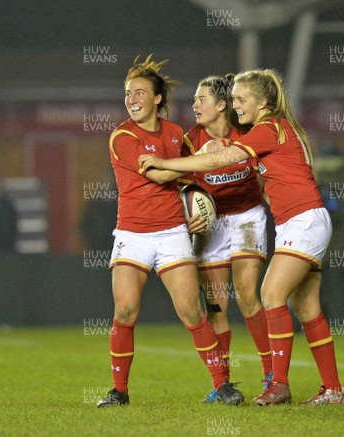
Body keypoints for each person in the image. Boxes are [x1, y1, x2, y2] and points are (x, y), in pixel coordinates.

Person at [139, 69, 344, 405]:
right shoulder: (270, 128)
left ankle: (277, 382)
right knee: (306, 308)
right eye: (233, 99)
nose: (235, 105)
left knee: (269, 293)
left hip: (303, 220)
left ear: (262, 102)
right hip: (301, 221)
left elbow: (223, 158)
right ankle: (332, 391)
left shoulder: (267, 129)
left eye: (240, 99)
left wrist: (164, 162)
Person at [97, 55, 244, 407]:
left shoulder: (177, 134)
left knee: (192, 311)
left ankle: (222, 385)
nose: (131, 99)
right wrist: (190, 168)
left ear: (158, 98)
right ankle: (119, 391)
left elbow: (198, 178)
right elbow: (159, 175)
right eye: (128, 93)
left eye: (139, 93)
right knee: (126, 310)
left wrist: (200, 210)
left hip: (171, 233)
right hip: (132, 234)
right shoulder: (122, 136)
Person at [183, 74, 272, 403]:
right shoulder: (190, 140)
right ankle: (223, 384)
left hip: (247, 216)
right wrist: (188, 211)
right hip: (213, 224)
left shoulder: (247, 131)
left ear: (222, 105)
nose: (194, 105)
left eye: (201, 99)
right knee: (217, 306)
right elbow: (182, 183)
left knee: (248, 295)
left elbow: (270, 168)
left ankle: (271, 376)